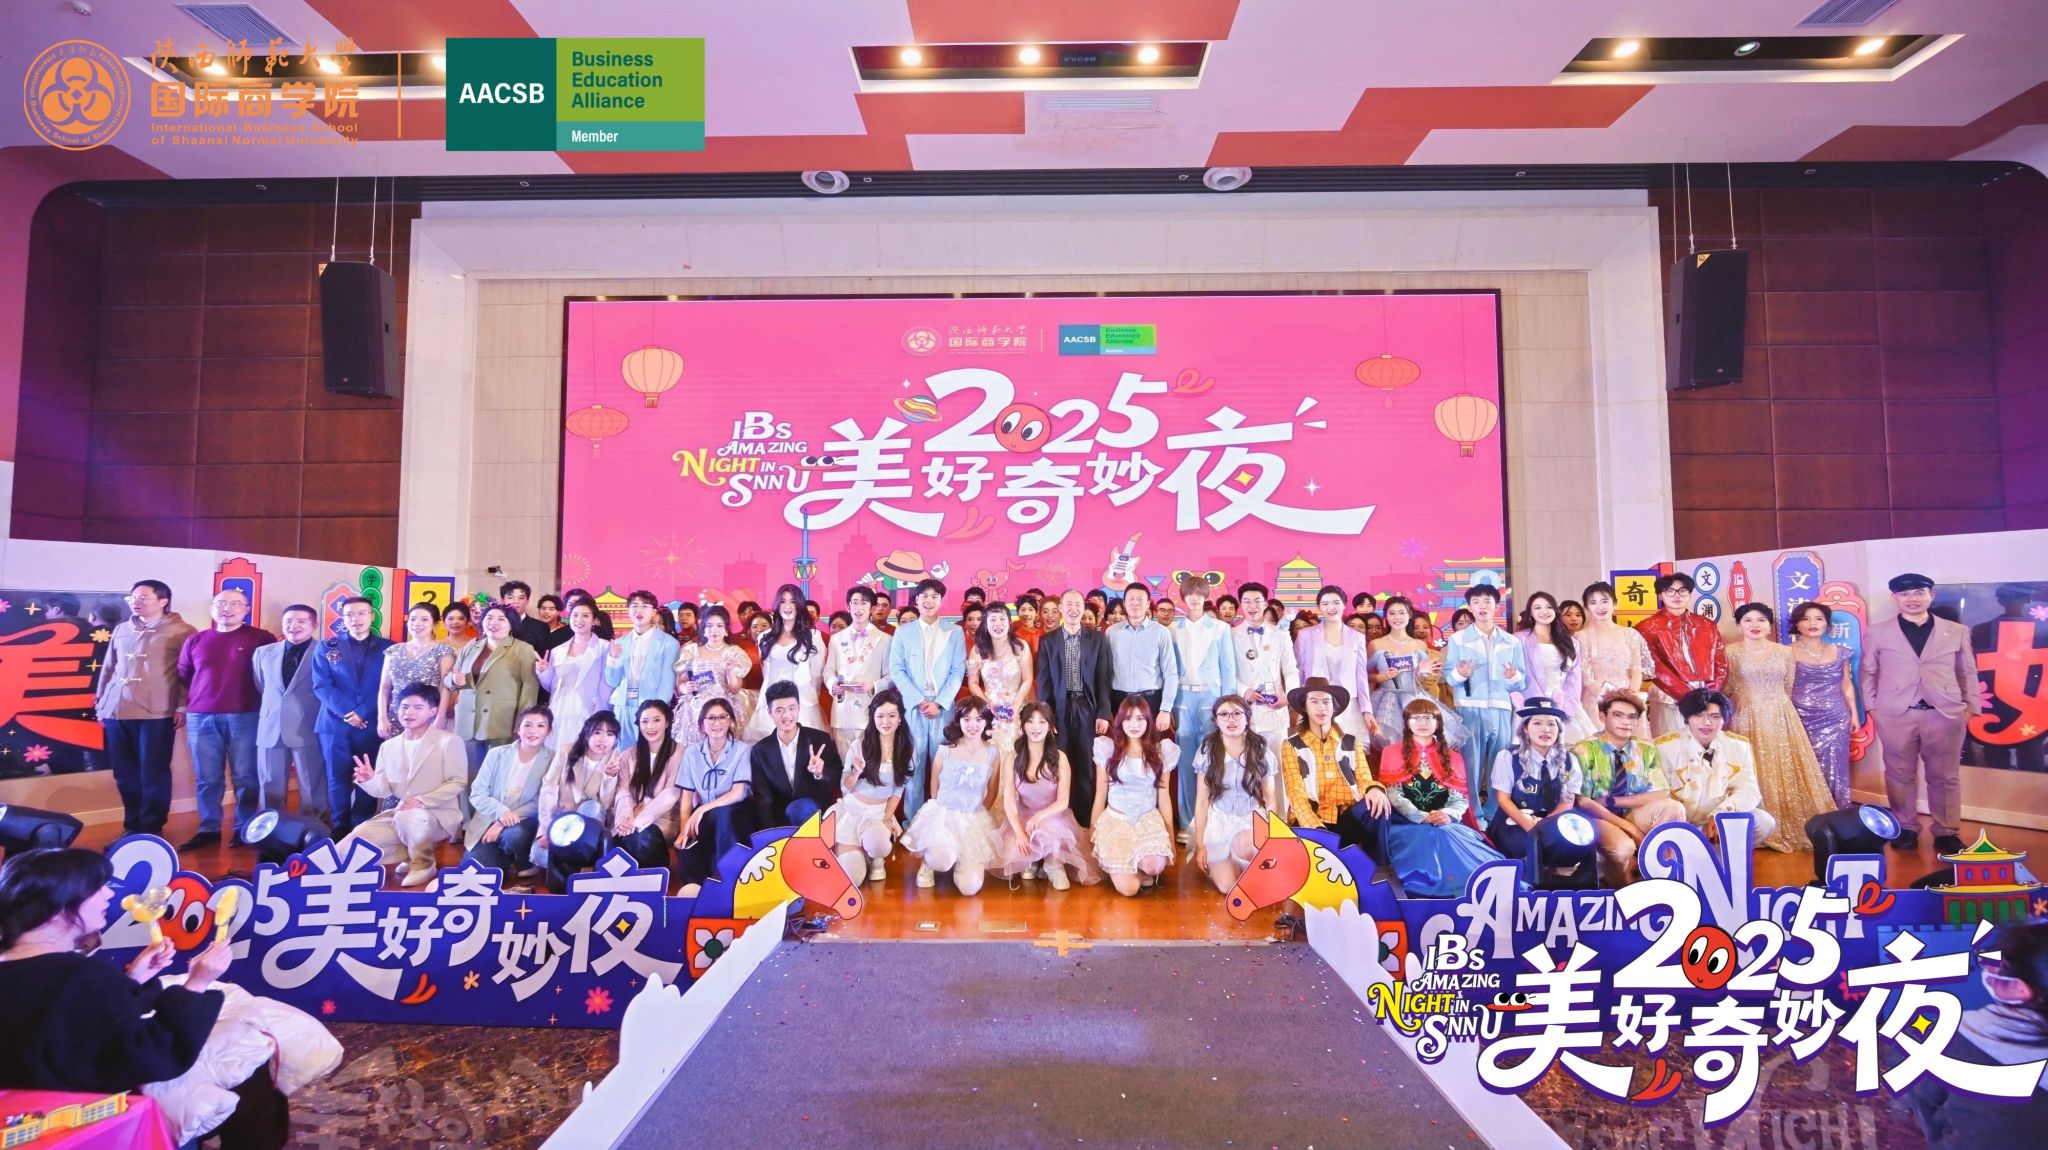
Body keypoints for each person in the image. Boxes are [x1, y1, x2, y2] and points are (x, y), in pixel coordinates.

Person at [0, 849, 289, 1150]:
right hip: (88, 1123)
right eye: (96, 888)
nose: (108, 894)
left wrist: (132, 980)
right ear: (58, 909)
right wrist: (198, 982)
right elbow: (156, 1055)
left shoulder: (42, 971)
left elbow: (71, 1020)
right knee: (257, 1079)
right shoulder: (79, 974)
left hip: (17, 1124)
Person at [1862, 573, 1981, 854]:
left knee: (1945, 776)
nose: (1912, 599)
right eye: (1904, 594)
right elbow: (1868, 672)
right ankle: (1906, 827)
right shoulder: (1878, 632)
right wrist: (1873, 708)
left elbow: (1967, 671)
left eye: (1918, 592)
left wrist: (1970, 708)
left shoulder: (1956, 630)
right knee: (1898, 774)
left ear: (1931, 595)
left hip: (1945, 713)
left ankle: (1946, 831)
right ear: (1895, 598)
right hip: (1895, 714)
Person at [1907, 922, 2048, 1147]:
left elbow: (1923, 1112)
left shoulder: (1947, 1037)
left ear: (2019, 989)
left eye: (2001, 967)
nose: (1991, 972)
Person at [1724, 603, 1837, 851]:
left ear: (1770, 625)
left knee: (1785, 768)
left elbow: (1788, 684)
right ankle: (1758, 826)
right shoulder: (1729, 652)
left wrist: (1775, 705)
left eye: (1761, 620)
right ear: (1739, 625)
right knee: (1751, 768)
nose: (1755, 625)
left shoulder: (1784, 652)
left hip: (1782, 716)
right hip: (1745, 717)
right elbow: (1727, 688)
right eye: (1748, 620)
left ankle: (1791, 824)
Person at [94, 579, 197, 838]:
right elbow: (109, 666)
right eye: (133, 598)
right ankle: (132, 825)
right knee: (124, 772)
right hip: (117, 709)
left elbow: (187, 672)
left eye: (143, 597)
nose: (136, 602)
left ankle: (151, 827)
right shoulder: (122, 628)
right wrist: (101, 701)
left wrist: (182, 705)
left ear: (163, 601)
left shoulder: (182, 631)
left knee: (154, 771)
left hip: (157, 711)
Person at [176, 588, 276, 850]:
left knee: (246, 776)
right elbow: (185, 674)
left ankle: (244, 828)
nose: (227, 609)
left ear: (246, 609)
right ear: (212, 608)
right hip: (201, 717)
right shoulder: (196, 640)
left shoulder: (261, 638)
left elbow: (270, 674)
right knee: (207, 778)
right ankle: (208, 828)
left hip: (246, 715)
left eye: (235, 604)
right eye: (221, 603)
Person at [1377, 699, 1504, 898]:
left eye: (1428, 718)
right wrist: (1422, 817)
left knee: (1448, 835)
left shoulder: (1454, 757)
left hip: (1445, 823)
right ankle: (1428, 889)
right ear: (1407, 723)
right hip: (1406, 824)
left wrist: (1447, 815)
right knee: (1429, 835)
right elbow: (1393, 795)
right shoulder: (1392, 753)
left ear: (1438, 723)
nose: (1422, 722)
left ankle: (1473, 888)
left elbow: (1460, 797)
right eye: (1415, 717)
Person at [341, 683, 466, 886]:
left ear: (433, 712)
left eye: (418, 707)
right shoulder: (388, 746)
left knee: (409, 817)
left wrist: (422, 800)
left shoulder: (449, 741)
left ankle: (423, 863)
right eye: (404, 707)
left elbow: (457, 781)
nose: (409, 712)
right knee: (351, 845)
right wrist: (368, 780)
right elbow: (384, 790)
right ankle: (409, 852)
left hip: (438, 814)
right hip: (401, 814)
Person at [1571, 691, 1688, 885]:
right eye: (1618, 715)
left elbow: (1660, 793)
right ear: (1602, 716)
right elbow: (1583, 802)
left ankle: (1664, 878)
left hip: (1632, 812)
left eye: (1632, 717)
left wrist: (1613, 801)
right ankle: (1621, 890)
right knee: (1623, 848)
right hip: (1598, 817)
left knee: (1674, 808)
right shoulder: (1583, 750)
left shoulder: (1645, 748)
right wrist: (1630, 828)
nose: (1626, 722)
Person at [1277, 677, 1394, 861]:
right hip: (1313, 823)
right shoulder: (1291, 745)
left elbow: (1364, 777)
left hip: (1346, 819)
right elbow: (1296, 794)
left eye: (1326, 702)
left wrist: (1375, 789)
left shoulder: (1350, 742)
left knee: (1378, 803)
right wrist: (1317, 831)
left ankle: (1379, 868)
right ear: (1305, 707)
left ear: (1334, 707)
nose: (1321, 708)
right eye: (1314, 702)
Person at [1443, 583, 1528, 824]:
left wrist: (1513, 677)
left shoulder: (1511, 641)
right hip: (1470, 707)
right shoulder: (1459, 639)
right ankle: (1474, 816)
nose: (1482, 606)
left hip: (1500, 708)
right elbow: (1449, 677)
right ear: (1470, 607)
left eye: (1488, 601)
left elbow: (1521, 682)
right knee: (1470, 766)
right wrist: (1460, 673)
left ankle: (1495, 814)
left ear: (1496, 606)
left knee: (1500, 764)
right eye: (1477, 602)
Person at [901, 699, 1004, 895]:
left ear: (986, 722)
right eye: (967, 719)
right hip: (945, 815)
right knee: (941, 861)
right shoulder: (946, 749)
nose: (973, 725)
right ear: (959, 721)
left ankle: (962, 861)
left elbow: (992, 790)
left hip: (972, 817)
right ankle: (929, 863)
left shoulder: (993, 752)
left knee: (970, 888)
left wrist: (978, 814)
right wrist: (940, 810)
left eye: (978, 719)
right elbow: (934, 785)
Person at [311, 596, 394, 837]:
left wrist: (363, 712)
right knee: (336, 776)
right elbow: (321, 685)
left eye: (361, 613)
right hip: (334, 725)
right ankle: (339, 825)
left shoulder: (389, 648)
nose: (355, 619)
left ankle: (362, 824)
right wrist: (348, 712)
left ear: (372, 616)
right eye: (349, 614)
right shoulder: (327, 646)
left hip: (371, 723)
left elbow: (388, 685)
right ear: (343, 618)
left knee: (368, 774)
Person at [885, 578, 967, 822]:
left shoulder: (954, 632)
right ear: (917, 600)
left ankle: (941, 823)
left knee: (943, 767)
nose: (929, 601)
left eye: (934, 596)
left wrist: (939, 702)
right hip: (914, 707)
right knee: (914, 767)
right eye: (924, 596)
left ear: (941, 600)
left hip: (943, 707)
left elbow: (957, 671)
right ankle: (912, 823)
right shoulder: (903, 632)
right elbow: (896, 669)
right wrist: (917, 700)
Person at [997, 702, 1100, 889]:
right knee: (1024, 866)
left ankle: (1053, 864)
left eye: (1042, 722)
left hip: (1053, 816)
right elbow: (1009, 800)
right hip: (1024, 817)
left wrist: (1039, 817)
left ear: (1051, 727)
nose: (1036, 727)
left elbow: (1063, 801)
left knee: (1048, 831)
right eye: (1030, 721)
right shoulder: (1012, 758)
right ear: (1023, 725)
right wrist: (1019, 832)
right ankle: (1034, 861)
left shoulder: (1060, 758)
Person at [1654, 689, 1776, 847]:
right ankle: (1688, 849)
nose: (1707, 723)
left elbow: (1749, 790)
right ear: (1687, 717)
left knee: (1764, 822)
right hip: (1681, 823)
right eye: (1699, 715)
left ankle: (1719, 851)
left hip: (1720, 821)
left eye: (1715, 716)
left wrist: (1721, 814)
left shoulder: (1738, 746)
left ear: (1724, 719)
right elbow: (1658, 795)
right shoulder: (1664, 746)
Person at [1034, 589, 1113, 826]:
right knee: (1059, 762)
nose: (1073, 609)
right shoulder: (1048, 641)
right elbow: (1044, 682)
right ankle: (1060, 817)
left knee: (1087, 763)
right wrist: (1046, 717)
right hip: (1059, 710)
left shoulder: (1097, 639)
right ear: (1061, 609)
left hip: (1087, 707)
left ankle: (1085, 820)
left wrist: (1104, 712)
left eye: (1077, 604)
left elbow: (1104, 679)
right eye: (1068, 604)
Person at [1091, 696, 1180, 897]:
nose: (1134, 725)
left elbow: (1164, 797)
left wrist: (1170, 840)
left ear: (1148, 721)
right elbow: (1100, 795)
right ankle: (1125, 868)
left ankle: (1141, 864)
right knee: (1129, 890)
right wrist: (1093, 831)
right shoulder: (1108, 750)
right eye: (1128, 718)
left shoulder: (1160, 752)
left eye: (1140, 719)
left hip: (1147, 819)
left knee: (1154, 866)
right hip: (1116, 821)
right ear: (1120, 721)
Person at [1188, 695, 1278, 895]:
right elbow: (1202, 801)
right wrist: (1200, 846)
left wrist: (1273, 834)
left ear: (1247, 718)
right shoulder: (1207, 751)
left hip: (1249, 820)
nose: (1231, 719)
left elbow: (1270, 799)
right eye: (1224, 714)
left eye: (1237, 713)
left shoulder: (1261, 750)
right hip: (1220, 820)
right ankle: (1229, 865)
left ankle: (1246, 862)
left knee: (1249, 853)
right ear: (1216, 720)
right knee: (1228, 887)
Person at [1169, 574, 1237, 832]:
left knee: (1213, 760)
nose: (1195, 599)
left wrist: (1228, 707)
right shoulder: (1173, 629)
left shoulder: (1220, 628)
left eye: (1199, 594)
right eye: (1190, 594)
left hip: (1212, 699)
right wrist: (1169, 705)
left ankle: (1214, 820)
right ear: (1183, 597)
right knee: (1186, 761)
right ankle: (1188, 822)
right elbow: (1169, 671)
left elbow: (1228, 669)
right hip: (1183, 699)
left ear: (1206, 596)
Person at [446, 603, 541, 780]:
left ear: (511, 625)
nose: (493, 623)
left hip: (500, 722)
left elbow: (529, 688)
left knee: (497, 776)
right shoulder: (471, 647)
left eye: (501, 619)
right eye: (489, 618)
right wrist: (453, 680)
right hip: (468, 722)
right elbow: (452, 677)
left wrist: (523, 722)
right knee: (468, 776)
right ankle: (468, 801)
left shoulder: (522, 649)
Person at [826, 688, 911, 885]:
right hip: (852, 811)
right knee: (853, 878)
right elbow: (845, 787)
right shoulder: (859, 746)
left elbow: (898, 789)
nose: (885, 721)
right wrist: (856, 772)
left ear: (900, 718)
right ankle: (859, 853)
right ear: (873, 717)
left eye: (892, 715)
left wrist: (887, 818)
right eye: (880, 716)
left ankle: (876, 858)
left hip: (878, 814)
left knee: (880, 844)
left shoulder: (907, 749)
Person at [532, 711, 625, 890]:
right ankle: (581, 869)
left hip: (592, 827)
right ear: (587, 733)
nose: (603, 739)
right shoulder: (566, 752)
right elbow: (548, 790)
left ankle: (576, 868)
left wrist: (609, 777)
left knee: (591, 807)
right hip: (562, 823)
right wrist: (547, 828)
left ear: (615, 739)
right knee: (539, 855)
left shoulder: (615, 760)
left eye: (610, 734)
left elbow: (605, 806)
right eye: (597, 732)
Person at [1488, 699, 1582, 875]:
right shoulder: (1507, 757)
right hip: (1516, 819)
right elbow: (1503, 799)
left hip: (1554, 820)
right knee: (1526, 846)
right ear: (1525, 728)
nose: (1546, 730)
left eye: (1551, 724)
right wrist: (1531, 827)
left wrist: (1545, 825)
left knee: (1575, 844)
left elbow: (1567, 801)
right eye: (1537, 723)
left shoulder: (1570, 760)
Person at [672, 698, 753, 897]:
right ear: (702, 725)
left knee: (723, 815)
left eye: (722, 717)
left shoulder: (743, 750)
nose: (717, 723)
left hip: (737, 813)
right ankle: (700, 891)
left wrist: (701, 809)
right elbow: (686, 798)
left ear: (731, 722)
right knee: (685, 849)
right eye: (711, 718)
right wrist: (684, 830)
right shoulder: (692, 753)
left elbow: (738, 792)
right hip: (706, 816)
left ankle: (728, 882)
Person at [253, 604, 324, 824]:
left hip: (308, 726)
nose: (294, 626)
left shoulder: (324, 652)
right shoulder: (263, 652)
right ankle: (270, 830)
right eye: (289, 621)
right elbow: (261, 684)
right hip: (271, 726)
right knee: (270, 784)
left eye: (301, 621)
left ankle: (315, 830)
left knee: (312, 784)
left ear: (314, 625)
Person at [1636, 573, 1727, 737]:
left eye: (1683, 591)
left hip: (1706, 698)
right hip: (1668, 698)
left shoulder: (1706, 625)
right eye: (1670, 591)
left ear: (1690, 594)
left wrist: (1709, 693)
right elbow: (1655, 666)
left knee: (1705, 744)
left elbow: (1720, 662)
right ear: (1660, 595)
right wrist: (1687, 695)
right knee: (1670, 743)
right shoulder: (1647, 627)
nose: (1677, 595)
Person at [464, 707, 553, 877]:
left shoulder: (553, 759)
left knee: (514, 835)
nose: (533, 731)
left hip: (526, 822)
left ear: (549, 731)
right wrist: (501, 813)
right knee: (476, 873)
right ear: (518, 729)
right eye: (527, 725)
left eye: (541, 726)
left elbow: (542, 801)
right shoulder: (496, 754)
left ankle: (523, 862)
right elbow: (477, 793)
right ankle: (503, 861)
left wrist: (503, 821)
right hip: (488, 821)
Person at [1370, 595, 1465, 749]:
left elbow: (1421, 681)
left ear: (1409, 615)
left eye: (1401, 613)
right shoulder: (1376, 644)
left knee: (1420, 744)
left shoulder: (1419, 645)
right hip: (1385, 701)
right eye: (1392, 613)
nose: (1397, 617)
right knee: (1392, 746)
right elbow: (1364, 676)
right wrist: (1382, 676)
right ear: (1386, 616)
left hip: (1414, 697)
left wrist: (1420, 673)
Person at [1787, 601, 1858, 808]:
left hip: (1836, 717)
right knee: (1803, 765)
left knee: (1836, 766)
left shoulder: (1841, 651)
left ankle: (1836, 810)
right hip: (1800, 717)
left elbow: (1846, 684)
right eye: (1806, 619)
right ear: (1797, 624)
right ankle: (1807, 812)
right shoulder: (1784, 652)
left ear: (1827, 623)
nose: (1813, 623)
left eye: (1819, 619)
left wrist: (1853, 713)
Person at [749, 680, 844, 831]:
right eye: (779, 710)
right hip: (780, 818)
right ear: (769, 712)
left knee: (799, 808)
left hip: (812, 811)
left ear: (799, 708)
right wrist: (771, 834)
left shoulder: (819, 740)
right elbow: (764, 799)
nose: (786, 715)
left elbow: (838, 779)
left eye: (791, 708)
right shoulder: (760, 751)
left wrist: (820, 773)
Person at [1295, 585, 1379, 749]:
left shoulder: (1357, 637)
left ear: (1344, 604)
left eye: (1335, 602)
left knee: (1348, 753)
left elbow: (1361, 676)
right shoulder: (1306, 635)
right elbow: (1299, 671)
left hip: (1348, 704)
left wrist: (1366, 710)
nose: (1331, 608)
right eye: (1325, 603)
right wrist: (1298, 707)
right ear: (1319, 607)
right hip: (1316, 704)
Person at [609, 701, 685, 872]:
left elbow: (671, 793)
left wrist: (638, 822)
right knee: (612, 845)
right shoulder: (628, 755)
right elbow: (623, 790)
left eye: (656, 720)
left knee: (640, 838)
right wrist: (625, 818)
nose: (650, 726)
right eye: (645, 721)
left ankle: (660, 873)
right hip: (632, 816)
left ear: (667, 722)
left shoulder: (680, 753)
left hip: (664, 818)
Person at [744, 584, 825, 741]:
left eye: (793, 601)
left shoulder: (813, 637)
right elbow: (766, 673)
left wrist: (808, 700)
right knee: (771, 746)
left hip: (802, 703)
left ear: (799, 605)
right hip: (771, 702)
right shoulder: (764, 637)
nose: (787, 606)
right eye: (783, 601)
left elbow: (816, 676)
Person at [1515, 591, 1593, 745]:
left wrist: (1564, 707)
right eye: (1537, 607)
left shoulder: (1571, 642)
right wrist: (1541, 706)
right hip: (1531, 704)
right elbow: (1524, 674)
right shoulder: (1519, 639)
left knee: (1574, 748)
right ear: (1530, 613)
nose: (1544, 611)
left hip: (1563, 705)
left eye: (1549, 607)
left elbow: (1574, 679)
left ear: (1555, 611)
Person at [824, 587, 893, 758]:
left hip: (870, 709)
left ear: (872, 608)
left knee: (870, 762)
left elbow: (891, 676)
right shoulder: (836, 639)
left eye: (864, 603)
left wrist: (873, 685)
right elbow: (828, 671)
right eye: (855, 603)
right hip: (842, 711)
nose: (859, 608)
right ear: (848, 606)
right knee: (845, 765)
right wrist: (833, 684)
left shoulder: (885, 639)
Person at [1233, 582, 1301, 746]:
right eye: (1247, 601)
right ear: (1241, 605)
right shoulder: (1230, 635)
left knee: (1277, 759)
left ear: (1265, 604)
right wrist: (1243, 690)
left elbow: (1291, 669)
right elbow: (1225, 671)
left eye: (1257, 601)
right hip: (1243, 707)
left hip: (1274, 706)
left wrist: (1289, 696)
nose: (1252, 606)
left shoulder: (1280, 634)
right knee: (1244, 759)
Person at [673, 603, 751, 748]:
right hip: (695, 710)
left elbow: (735, 689)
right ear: (703, 629)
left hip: (723, 710)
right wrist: (686, 687)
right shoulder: (691, 651)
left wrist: (729, 671)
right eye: (709, 626)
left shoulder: (733, 652)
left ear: (726, 630)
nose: (714, 630)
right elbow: (681, 683)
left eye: (719, 626)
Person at [1575, 581, 1654, 722]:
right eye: (1593, 603)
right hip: (1596, 703)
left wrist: (1630, 696)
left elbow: (1636, 669)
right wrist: (1607, 700)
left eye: (1604, 601)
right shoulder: (1581, 637)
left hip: (1628, 700)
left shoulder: (1630, 634)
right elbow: (1586, 676)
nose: (1600, 607)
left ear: (1615, 603)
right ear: (1586, 607)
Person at [1106, 583, 1178, 733]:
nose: (1135, 603)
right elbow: (1105, 672)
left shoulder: (1161, 632)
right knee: (1121, 745)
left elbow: (1171, 673)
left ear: (1148, 604)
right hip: (1119, 700)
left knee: (1151, 745)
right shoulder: (1111, 633)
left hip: (1151, 700)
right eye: (1131, 599)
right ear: (1124, 603)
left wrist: (1165, 709)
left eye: (1140, 599)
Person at [538, 599, 607, 751]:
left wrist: (601, 711)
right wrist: (544, 671)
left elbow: (606, 684)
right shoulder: (557, 650)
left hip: (588, 707)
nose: (579, 620)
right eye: (575, 615)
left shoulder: (604, 647)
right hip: (560, 707)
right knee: (556, 752)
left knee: (583, 751)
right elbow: (551, 685)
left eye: (585, 615)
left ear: (594, 620)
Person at [378, 602, 455, 736]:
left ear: (435, 625)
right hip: (396, 718)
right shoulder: (393, 651)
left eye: (424, 619)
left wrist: (440, 717)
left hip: (428, 718)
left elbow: (445, 687)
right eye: (413, 619)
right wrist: (382, 718)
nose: (417, 623)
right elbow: (384, 687)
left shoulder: (443, 650)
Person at [969, 598, 1036, 748]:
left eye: (1002, 619)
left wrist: (1015, 706)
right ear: (985, 624)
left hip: (1017, 705)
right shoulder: (978, 650)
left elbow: (1028, 679)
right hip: (988, 706)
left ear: (1009, 622)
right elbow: (973, 682)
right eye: (993, 619)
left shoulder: (1021, 647)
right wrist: (987, 706)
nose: (998, 624)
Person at [498, 580, 552, 651]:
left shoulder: (541, 627)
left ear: (527, 601)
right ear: (502, 601)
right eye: (510, 597)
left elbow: (541, 655)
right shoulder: (494, 625)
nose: (516, 601)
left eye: (521, 598)